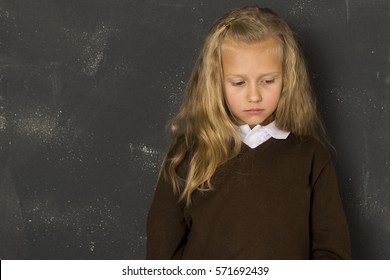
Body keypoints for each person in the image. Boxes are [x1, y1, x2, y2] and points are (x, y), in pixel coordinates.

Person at [146, 6, 351, 259]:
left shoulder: (310, 156)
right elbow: (161, 253)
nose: (254, 96)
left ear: (287, 78)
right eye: (239, 83)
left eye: (267, 81)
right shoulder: (186, 154)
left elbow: (332, 251)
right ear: (216, 81)